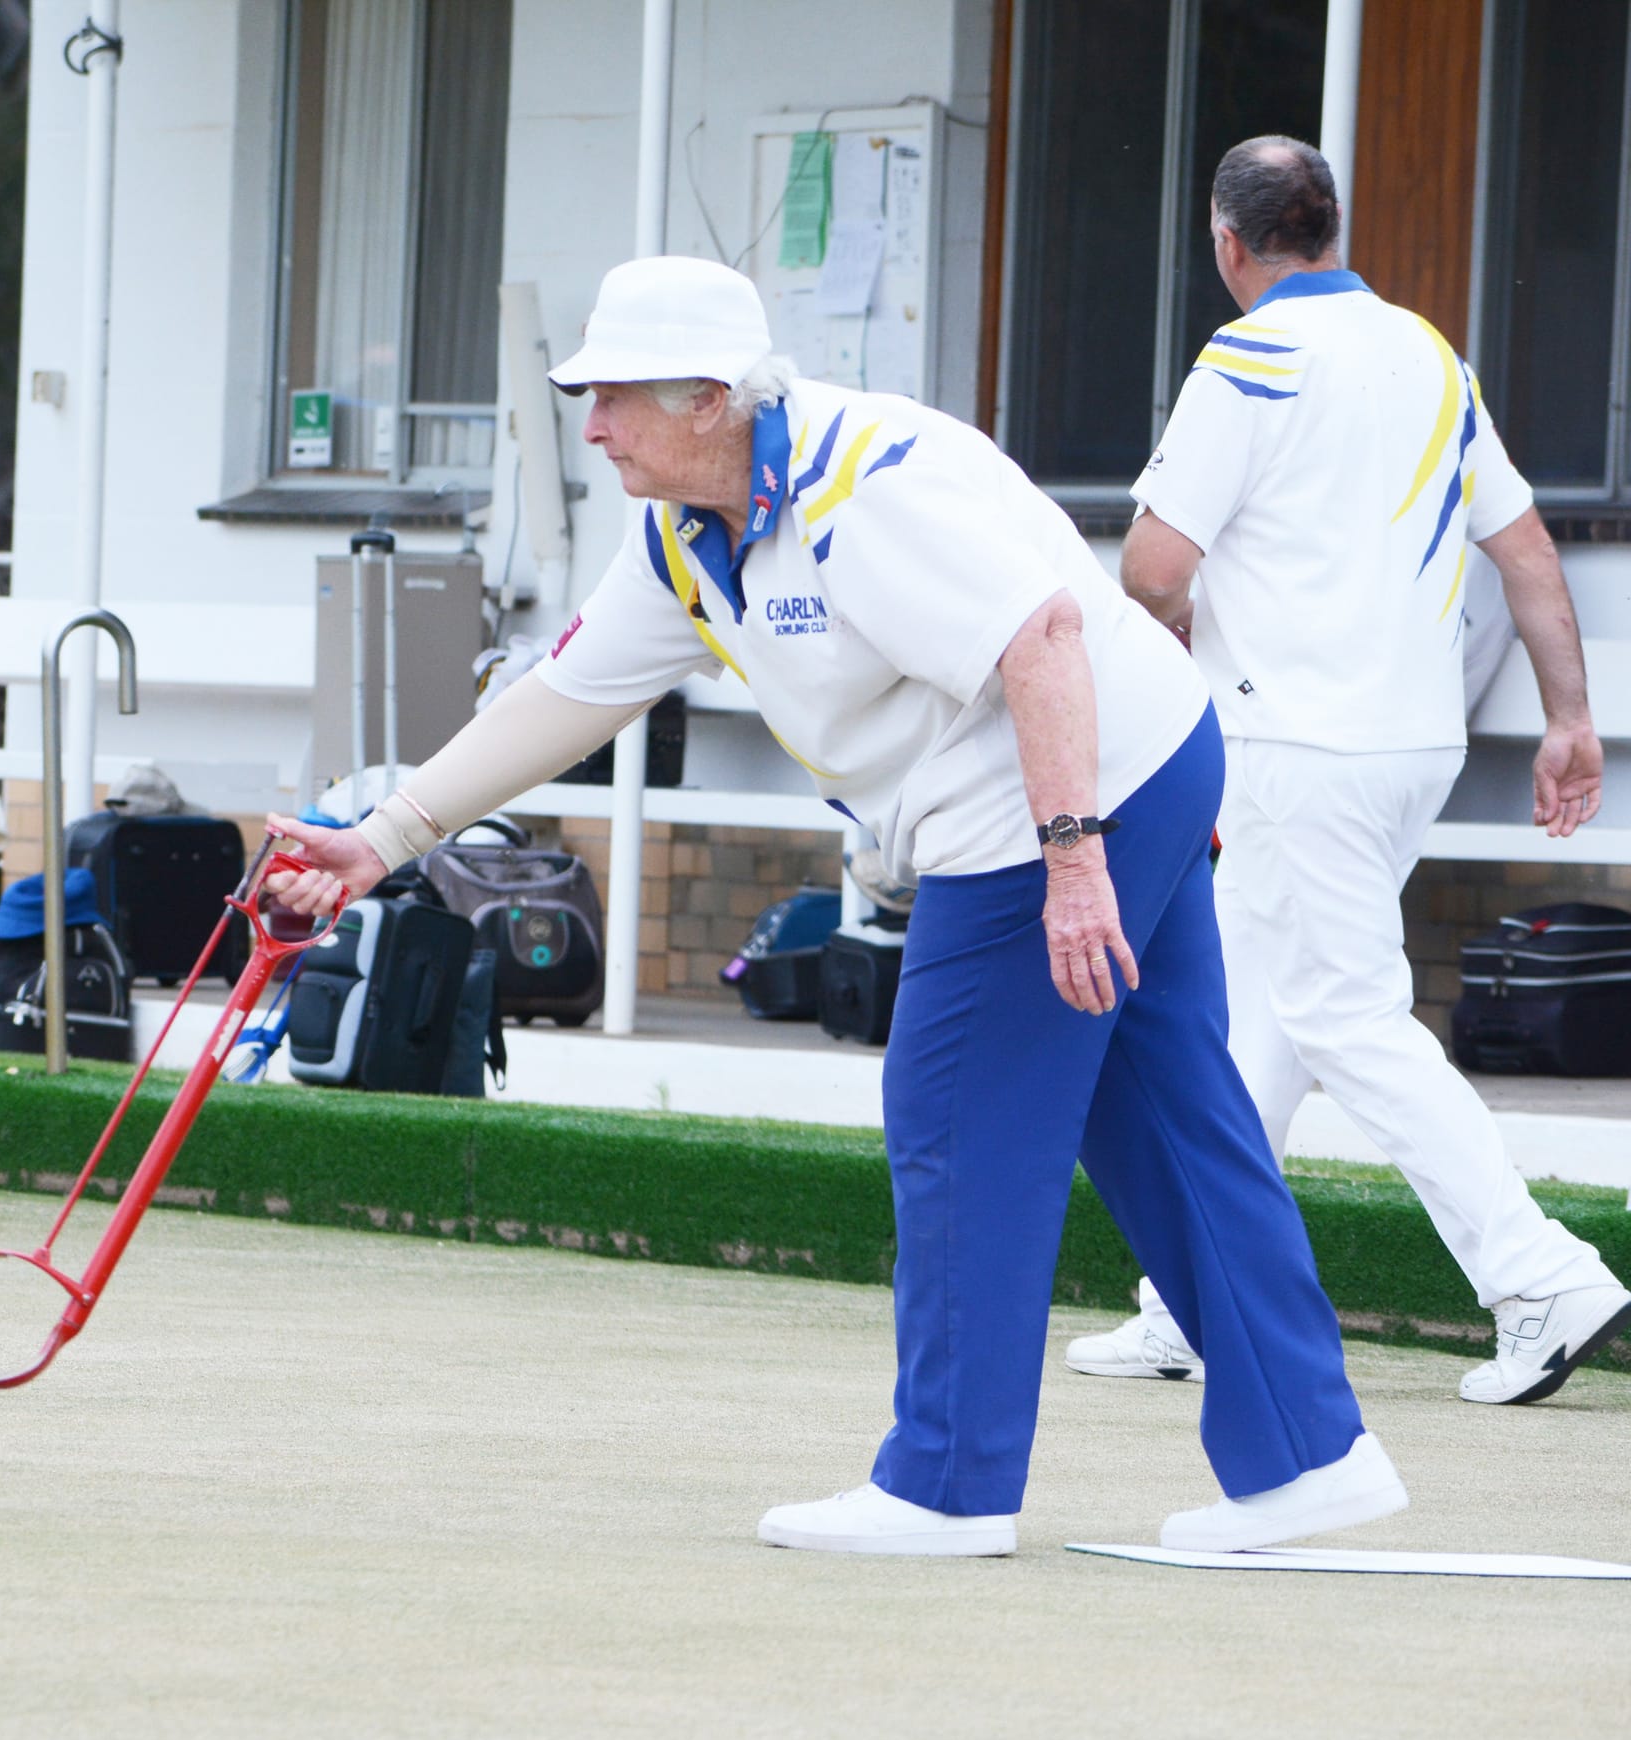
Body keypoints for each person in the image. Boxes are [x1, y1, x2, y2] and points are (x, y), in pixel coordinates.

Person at [266, 254, 1407, 1555]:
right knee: (1159, 1110)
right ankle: (1311, 1452)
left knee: (957, 1109)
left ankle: (948, 1483)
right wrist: (382, 838)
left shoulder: (865, 485)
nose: (591, 425)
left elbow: (1041, 639)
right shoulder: (685, 535)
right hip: (1132, 762)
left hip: (1061, 793)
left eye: (615, 398)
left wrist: (1074, 864)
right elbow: (565, 696)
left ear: (707, 396)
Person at [1069, 135, 1631, 1405]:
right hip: (1407, 744)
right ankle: (1188, 1299)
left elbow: (1152, 571)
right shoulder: (1428, 352)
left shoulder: (1246, 356)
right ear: (1328, 227)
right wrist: (1569, 721)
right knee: (1262, 1014)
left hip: (1292, 744)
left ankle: (1539, 1280)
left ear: (1226, 243)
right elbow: (1528, 552)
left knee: (1338, 1013)